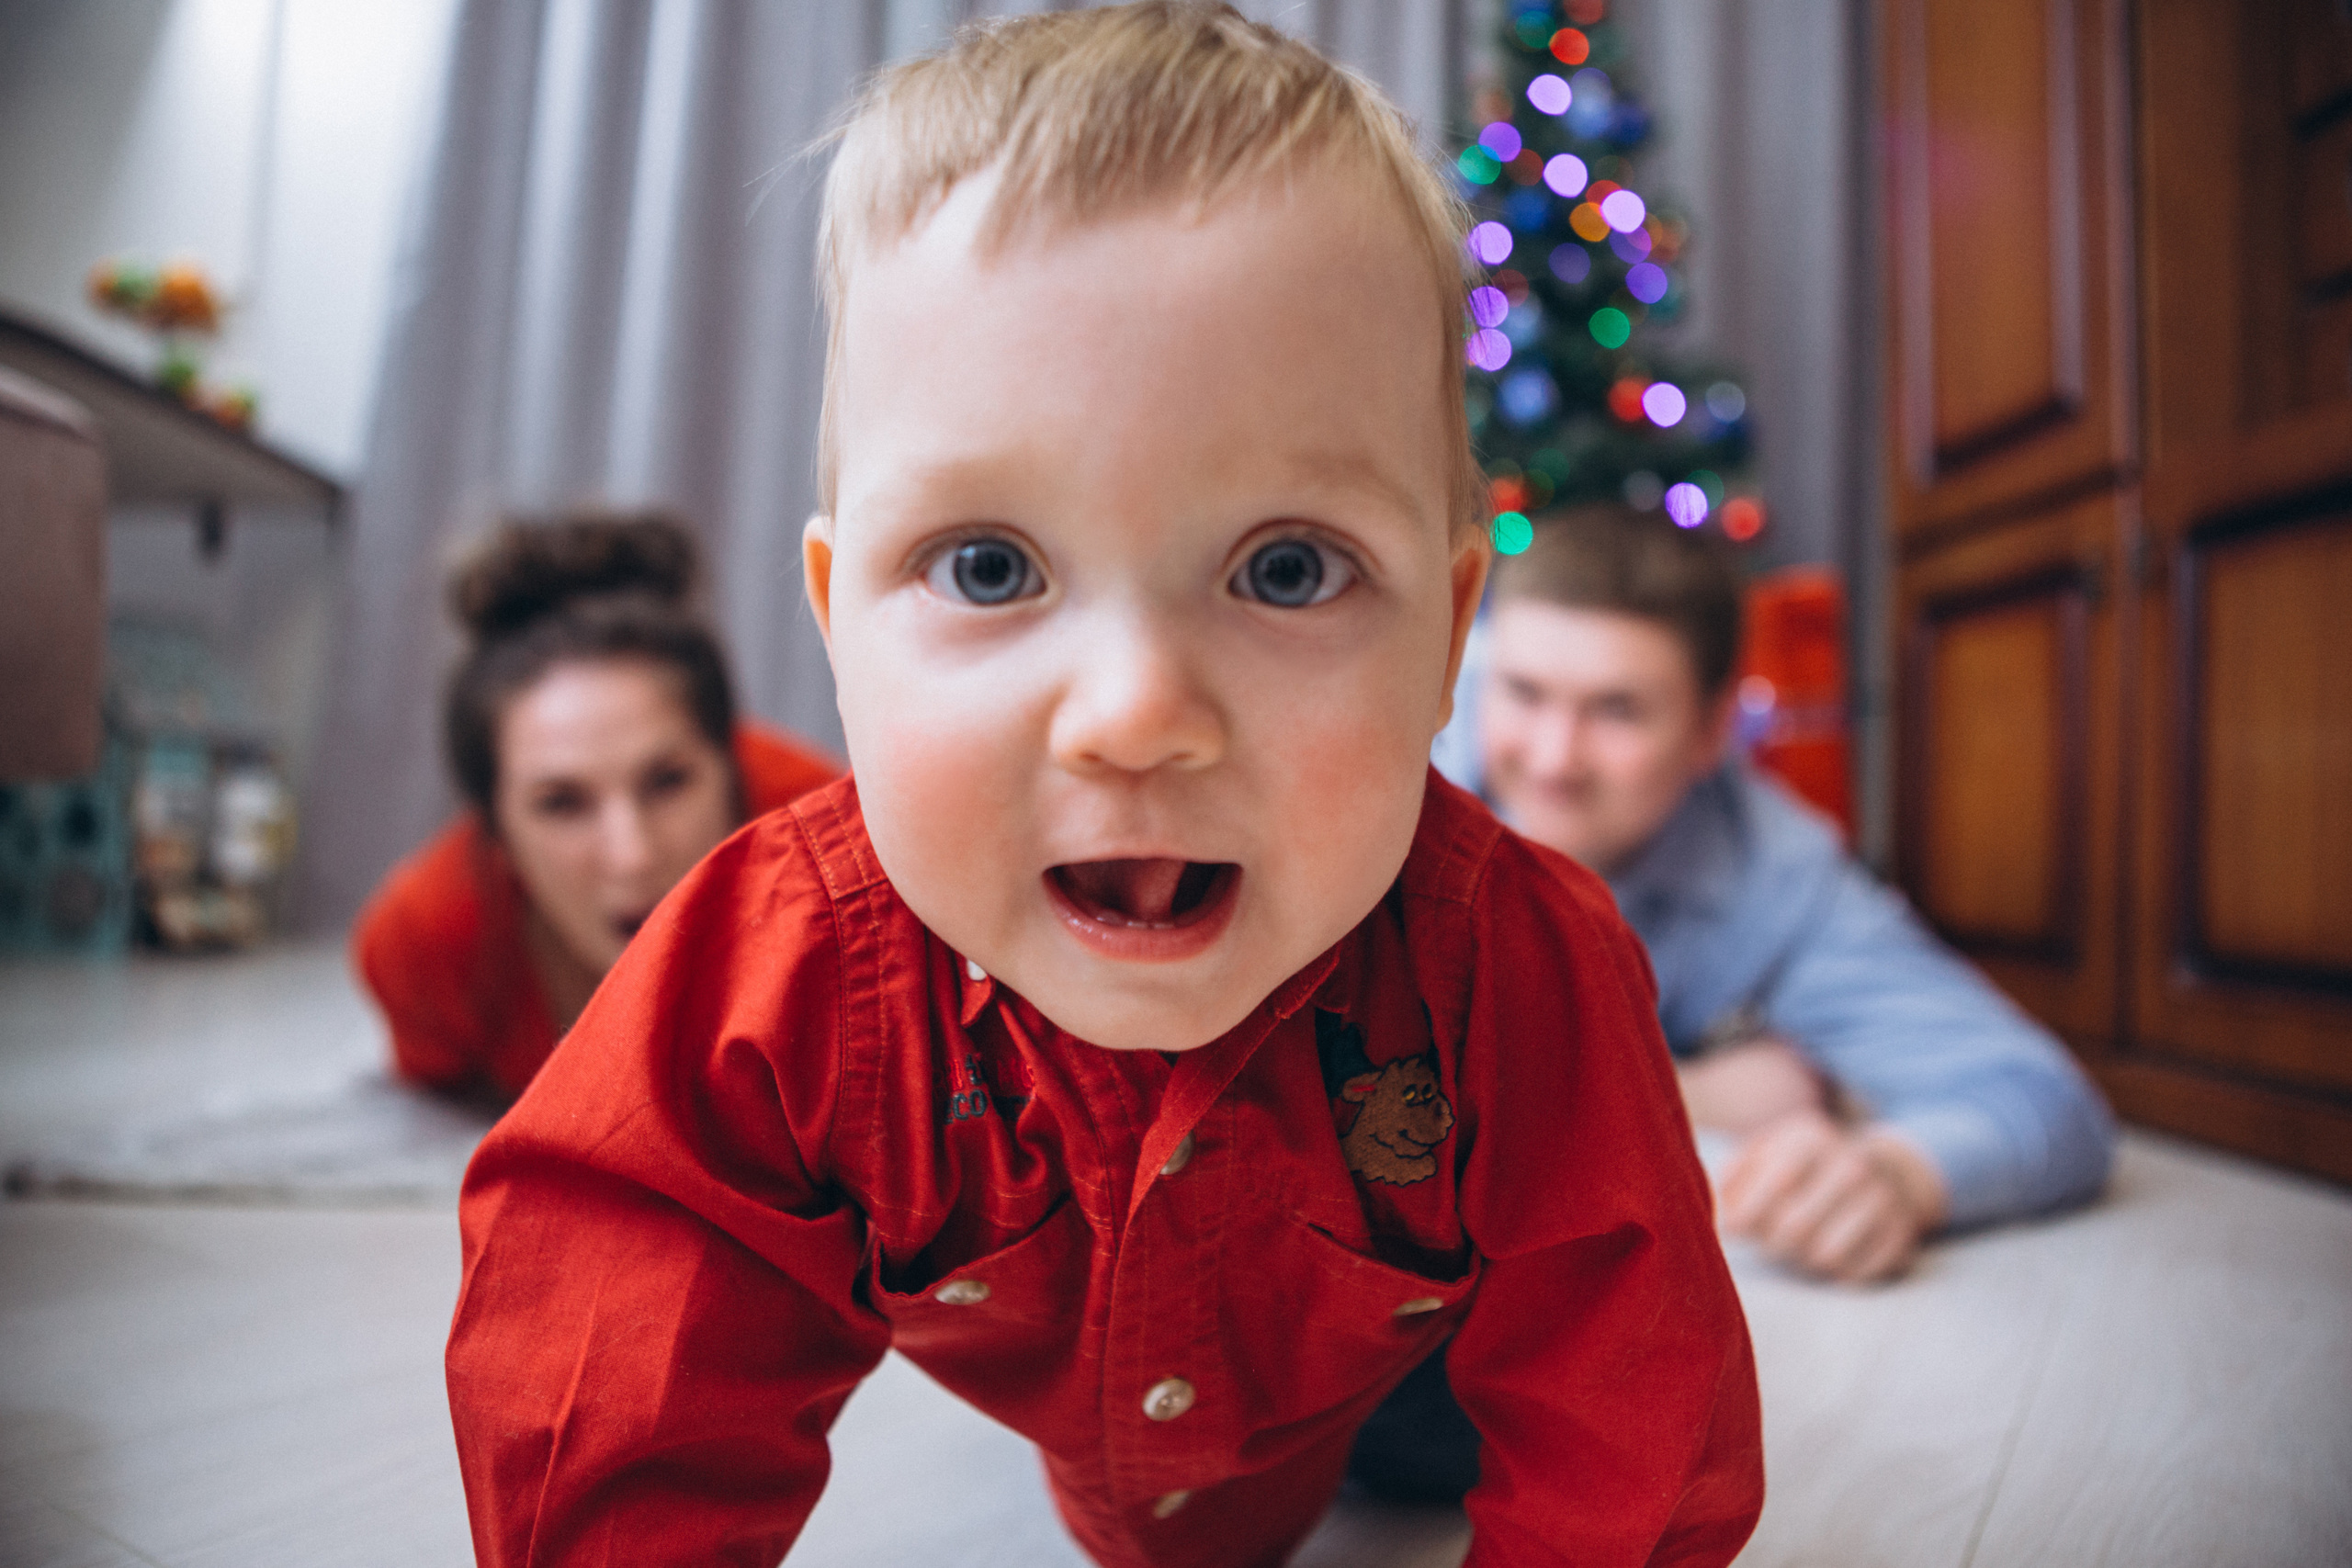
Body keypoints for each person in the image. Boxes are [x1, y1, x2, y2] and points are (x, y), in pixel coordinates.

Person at [443, 8, 1764, 1566]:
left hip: (1395, 1364)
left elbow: (1633, 1417)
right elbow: (611, 1345)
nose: (1135, 716)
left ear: (1449, 636)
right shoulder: (774, 972)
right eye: (988, 565)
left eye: (1287, 568)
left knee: (1420, 1462)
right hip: (1087, 1406)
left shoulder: (1524, 968)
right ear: (837, 626)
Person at [1444, 505, 2117, 1281]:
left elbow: (2051, 1103)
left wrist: (1894, 1174)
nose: (1555, 758)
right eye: (1524, 693)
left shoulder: (1778, 875)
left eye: (1618, 710)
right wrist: (1682, 1091)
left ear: (1711, 734)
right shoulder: (1400, 747)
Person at [351, 513, 840, 1100]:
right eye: (562, 804)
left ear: (732, 771)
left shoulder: (842, 856)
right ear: (496, 833)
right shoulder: (427, 946)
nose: (632, 855)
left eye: (667, 783)